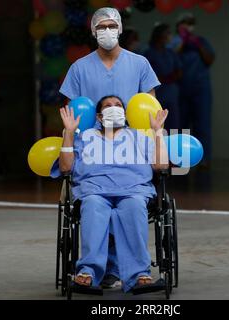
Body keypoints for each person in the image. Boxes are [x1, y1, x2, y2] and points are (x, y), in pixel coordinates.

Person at [59, 7, 161, 288]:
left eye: (111, 26)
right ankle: (97, 270)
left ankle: (128, 272)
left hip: (130, 145)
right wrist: (71, 140)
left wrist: (154, 139)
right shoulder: (80, 68)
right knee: (95, 200)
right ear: (93, 31)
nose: (106, 31)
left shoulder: (139, 64)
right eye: (100, 26)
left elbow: (150, 110)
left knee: (129, 201)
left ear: (119, 29)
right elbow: (71, 113)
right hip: (92, 145)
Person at [58, 96, 169, 292]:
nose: (114, 108)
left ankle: (140, 274)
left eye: (118, 105)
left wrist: (158, 131)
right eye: (108, 106)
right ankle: (87, 272)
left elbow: (161, 165)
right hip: (94, 191)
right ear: (99, 116)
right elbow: (66, 167)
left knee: (134, 207)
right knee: (92, 205)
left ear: (125, 114)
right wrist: (68, 132)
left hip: (133, 191)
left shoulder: (140, 137)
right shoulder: (84, 137)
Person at [170, 12, 215, 165]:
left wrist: (197, 45)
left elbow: (209, 59)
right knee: (179, 125)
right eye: (185, 22)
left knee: (202, 124)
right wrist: (182, 42)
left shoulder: (200, 41)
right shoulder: (173, 42)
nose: (188, 25)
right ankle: (178, 160)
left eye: (191, 22)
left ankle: (204, 160)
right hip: (181, 90)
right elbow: (171, 58)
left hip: (200, 89)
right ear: (178, 25)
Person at [145, 23, 182, 130]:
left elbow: (179, 72)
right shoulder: (149, 53)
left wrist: (169, 78)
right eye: (168, 33)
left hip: (172, 95)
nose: (170, 36)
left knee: (174, 126)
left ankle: (174, 147)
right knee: (158, 127)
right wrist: (162, 79)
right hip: (158, 95)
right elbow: (147, 76)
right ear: (159, 35)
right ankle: (158, 146)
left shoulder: (170, 53)